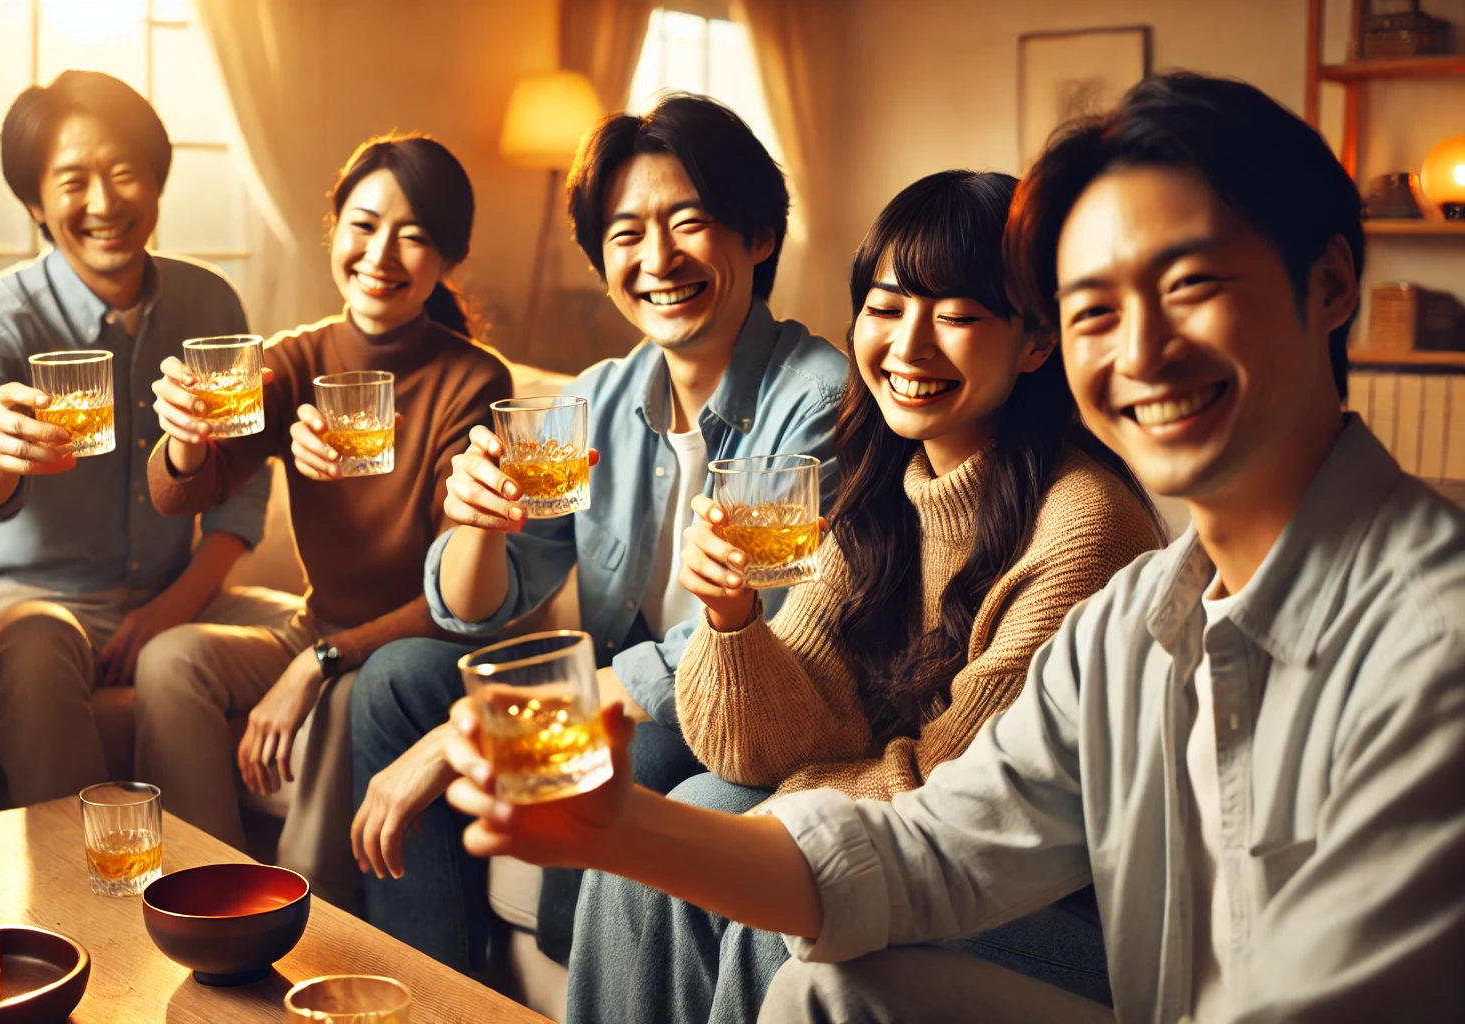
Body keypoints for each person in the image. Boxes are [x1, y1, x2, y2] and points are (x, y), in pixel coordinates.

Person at [442, 72, 1465, 1023]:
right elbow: (933, 847)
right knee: (803, 963)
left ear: (1330, 284)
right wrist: (620, 826)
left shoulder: (1429, 637)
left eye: (1189, 284)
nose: (1138, 349)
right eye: (1094, 308)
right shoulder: (1129, 624)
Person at [565, 169, 1163, 1024]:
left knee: (778, 906)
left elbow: (959, 805)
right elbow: (759, 747)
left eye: (956, 316)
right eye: (885, 309)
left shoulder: (1084, 528)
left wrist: (784, 812)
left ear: (1037, 342)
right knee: (684, 823)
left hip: (1066, 911)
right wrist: (733, 622)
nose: (909, 346)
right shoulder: (886, 488)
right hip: (912, 840)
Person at [349, 93, 851, 973]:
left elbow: (721, 649)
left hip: (734, 710)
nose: (657, 259)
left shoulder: (818, 401)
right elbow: (478, 609)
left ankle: (574, 950)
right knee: (394, 682)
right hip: (623, 689)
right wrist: (474, 524)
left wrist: (458, 733)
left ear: (758, 237)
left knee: (637, 748)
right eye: (625, 235)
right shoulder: (600, 398)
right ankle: (432, 991)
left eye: (688, 223)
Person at [140, 133, 511, 906]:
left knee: (347, 689)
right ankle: (208, 889)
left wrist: (319, 662)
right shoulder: (292, 361)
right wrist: (184, 437)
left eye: (415, 237)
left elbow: (458, 604)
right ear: (334, 230)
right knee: (171, 661)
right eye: (365, 225)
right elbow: (184, 496)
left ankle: (298, 914)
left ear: (448, 259)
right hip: (320, 623)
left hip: (416, 646)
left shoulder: (473, 379)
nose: (382, 254)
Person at [0, 71, 275, 810]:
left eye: (124, 174)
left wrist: (173, 607)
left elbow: (240, 493)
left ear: (156, 181)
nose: (104, 202)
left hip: (173, 596)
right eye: (73, 180)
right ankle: (83, 907)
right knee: (36, 638)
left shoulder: (209, 302)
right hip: (24, 599)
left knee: (334, 634)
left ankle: (218, 893)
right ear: (35, 204)